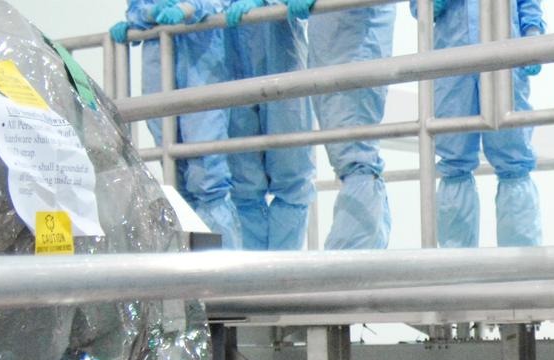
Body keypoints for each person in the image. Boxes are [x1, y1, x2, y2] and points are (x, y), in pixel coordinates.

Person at [411, 0, 545, 248]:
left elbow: (528, 3)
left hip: (504, 56)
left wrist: (532, 33)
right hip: (452, 61)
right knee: (453, 158)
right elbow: (418, 9)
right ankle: (457, 265)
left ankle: (523, 265)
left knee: (513, 158)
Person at [111, 1, 243, 247]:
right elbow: (138, 7)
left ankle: (223, 268)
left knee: (207, 173)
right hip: (158, 59)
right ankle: (184, 263)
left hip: (202, 58)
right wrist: (144, 15)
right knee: (173, 171)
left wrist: (191, 7)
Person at [286, 0, 395, 250]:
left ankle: (347, 268)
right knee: (352, 160)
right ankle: (357, 267)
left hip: (354, 56)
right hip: (330, 59)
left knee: (358, 160)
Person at [221, 0, 316, 250]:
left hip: (280, 49)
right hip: (231, 52)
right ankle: (255, 279)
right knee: (243, 181)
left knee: (292, 170)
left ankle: (284, 277)